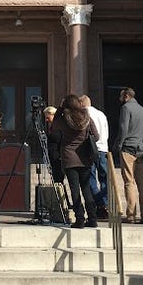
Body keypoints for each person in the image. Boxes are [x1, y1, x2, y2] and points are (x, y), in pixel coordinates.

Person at [53, 94, 99, 228]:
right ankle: (92, 218)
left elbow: (54, 126)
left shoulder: (64, 120)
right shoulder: (86, 118)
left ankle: (79, 218)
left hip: (69, 157)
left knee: (75, 189)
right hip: (84, 157)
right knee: (86, 188)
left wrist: (60, 109)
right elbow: (96, 136)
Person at [114, 87, 143, 224]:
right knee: (142, 183)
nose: (119, 99)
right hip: (140, 148)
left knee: (129, 181)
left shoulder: (126, 108)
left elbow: (123, 128)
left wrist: (119, 144)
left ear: (127, 96)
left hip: (128, 148)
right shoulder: (142, 109)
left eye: (121, 96)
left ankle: (131, 214)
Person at [80, 95, 109, 219]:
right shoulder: (101, 114)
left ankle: (100, 204)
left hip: (90, 150)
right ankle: (105, 203)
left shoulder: (83, 114)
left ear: (81, 104)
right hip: (103, 148)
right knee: (104, 178)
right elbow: (106, 131)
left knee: (90, 178)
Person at [43, 106, 64, 183]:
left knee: (58, 179)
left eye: (48, 117)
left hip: (58, 157)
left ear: (53, 115)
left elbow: (59, 139)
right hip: (53, 156)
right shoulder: (53, 126)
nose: (46, 120)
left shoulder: (59, 126)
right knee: (56, 178)